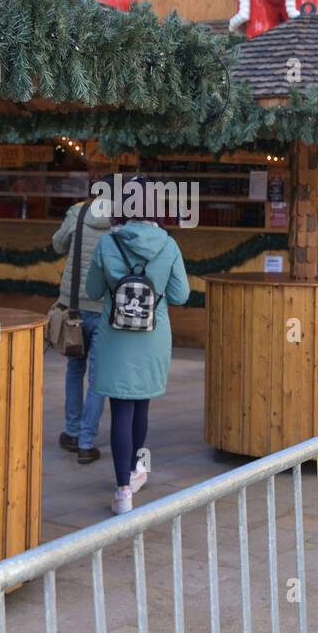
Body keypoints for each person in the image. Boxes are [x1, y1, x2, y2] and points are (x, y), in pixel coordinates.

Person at [85, 178, 190, 515]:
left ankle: (122, 492)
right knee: (140, 405)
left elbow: (92, 289)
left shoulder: (107, 243)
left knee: (119, 410)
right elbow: (180, 295)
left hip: (115, 335)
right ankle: (134, 471)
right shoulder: (169, 245)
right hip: (152, 335)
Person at [51, 188, 113, 464]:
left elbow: (57, 244)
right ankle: (87, 443)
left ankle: (72, 432)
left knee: (74, 369)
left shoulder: (78, 212)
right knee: (98, 376)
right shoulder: (121, 219)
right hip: (104, 308)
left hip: (73, 306)